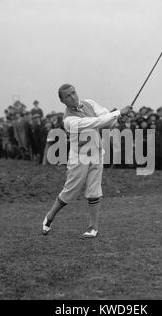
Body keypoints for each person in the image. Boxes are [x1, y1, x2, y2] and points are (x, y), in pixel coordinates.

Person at [41, 84, 132, 239]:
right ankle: (49, 217)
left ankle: (93, 228)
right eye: (68, 96)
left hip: (96, 153)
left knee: (94, 190)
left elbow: (106, 120)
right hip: (79, 158)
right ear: (63, 101)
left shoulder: (89, 103)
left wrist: (118, 119)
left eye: (73, 93)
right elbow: (95, 122)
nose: (73, 97)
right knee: (70, 191)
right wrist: (117, 113)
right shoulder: (69, 120)